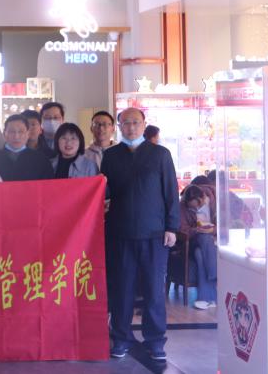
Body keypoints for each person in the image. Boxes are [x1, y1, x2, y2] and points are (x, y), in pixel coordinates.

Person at [102, 107, 180, 361]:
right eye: (126, 123)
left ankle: (155, 341)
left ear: (144, 124)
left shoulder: (160, 154)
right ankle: (121, 338)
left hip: (154, 234)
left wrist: (172, 227)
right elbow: (104, 192)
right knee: (122, 290)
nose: (131, 127)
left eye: (136, 122)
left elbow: (171, 192)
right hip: (120, 233)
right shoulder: (110, 156)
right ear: (119, 127)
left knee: (154, 291)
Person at [181, 184, 217, 309]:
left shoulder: (213, 202)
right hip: (192, 241)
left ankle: (206, 298)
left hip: (212, 242)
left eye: (197, 205)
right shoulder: (182, 207)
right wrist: (196, 230)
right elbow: (182, 229)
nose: (195, 209)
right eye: (192, 208)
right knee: (203, 237)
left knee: (200, 255)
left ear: (202, 198)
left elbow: (223, 223)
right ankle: (215, 274)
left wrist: (213, 230)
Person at [0, 115, 54, 182]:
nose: (16, 136)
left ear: (28, 134)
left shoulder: (41, 160)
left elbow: (48, 185)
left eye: (21, 132)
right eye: (12, 131)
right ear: (4, 133)